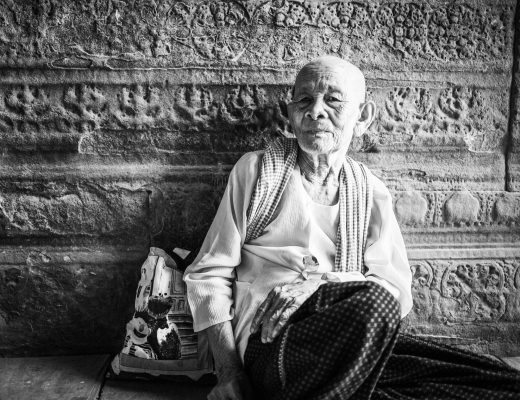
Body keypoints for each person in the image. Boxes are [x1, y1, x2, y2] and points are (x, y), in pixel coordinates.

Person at [184, 56, 520, 400]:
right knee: (375, 305)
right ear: (290, 113)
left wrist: (319, 286)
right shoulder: (256, 172)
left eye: (332, 99)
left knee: (490, 381)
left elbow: (396, 289)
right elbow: (208, 274)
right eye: (304, 100)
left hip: (347, 339)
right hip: (271, 343)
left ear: (362, 117)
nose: (315, 111)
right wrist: (228, 374)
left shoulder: (370, 190)